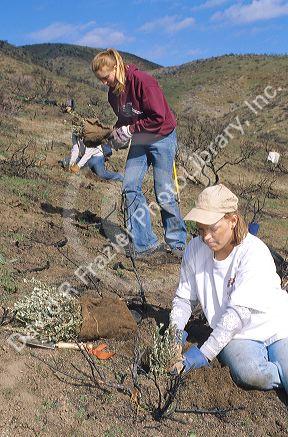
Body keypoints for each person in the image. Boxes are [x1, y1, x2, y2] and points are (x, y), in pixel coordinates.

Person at [170, 184, 288, 395]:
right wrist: (174, 333)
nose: (206, 236)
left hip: (277, 325)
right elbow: (184, 299)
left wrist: (203, 354)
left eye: (213, 228)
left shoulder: (253, 253)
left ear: (232, 221)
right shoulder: (195, 249)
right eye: (201, 228)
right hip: (240, 335)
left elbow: (237, 314)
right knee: (248, 373)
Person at [86, 48, 186, 258]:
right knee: (130, 186)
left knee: (164, 192)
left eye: (106, 77)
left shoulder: (143, 82)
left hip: (162, 136)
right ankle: (144, 244)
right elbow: (125, 119)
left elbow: (158, 117)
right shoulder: (113, 95)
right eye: (100, 79)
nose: (104, 82)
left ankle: (177, 244)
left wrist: (130, 129)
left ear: (117, 67)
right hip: (141, 139)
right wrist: (115, 135)